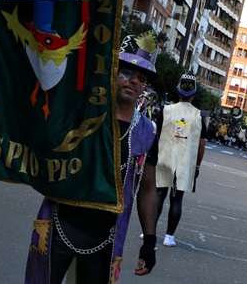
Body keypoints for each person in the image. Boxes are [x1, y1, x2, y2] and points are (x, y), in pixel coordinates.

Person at [25, 32, 159, 284]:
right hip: (58, 223)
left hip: (106, 238)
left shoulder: (147, 131)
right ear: (112, 72)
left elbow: (148, 188)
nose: (133, 81)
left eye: (141, 78)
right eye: (126, 72)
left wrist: (149, 241)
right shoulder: (80, 112)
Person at [153, 74, 205, 248]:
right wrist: (197, 165)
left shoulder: (166, 111)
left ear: (178, 90)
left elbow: (157, 135)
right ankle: (169, 236)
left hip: (165, 157)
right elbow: (201, 145)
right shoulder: (198, 116)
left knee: (159, 194)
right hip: (185, 161)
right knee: (177, 199)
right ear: (194, 93)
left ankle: (150, 231)